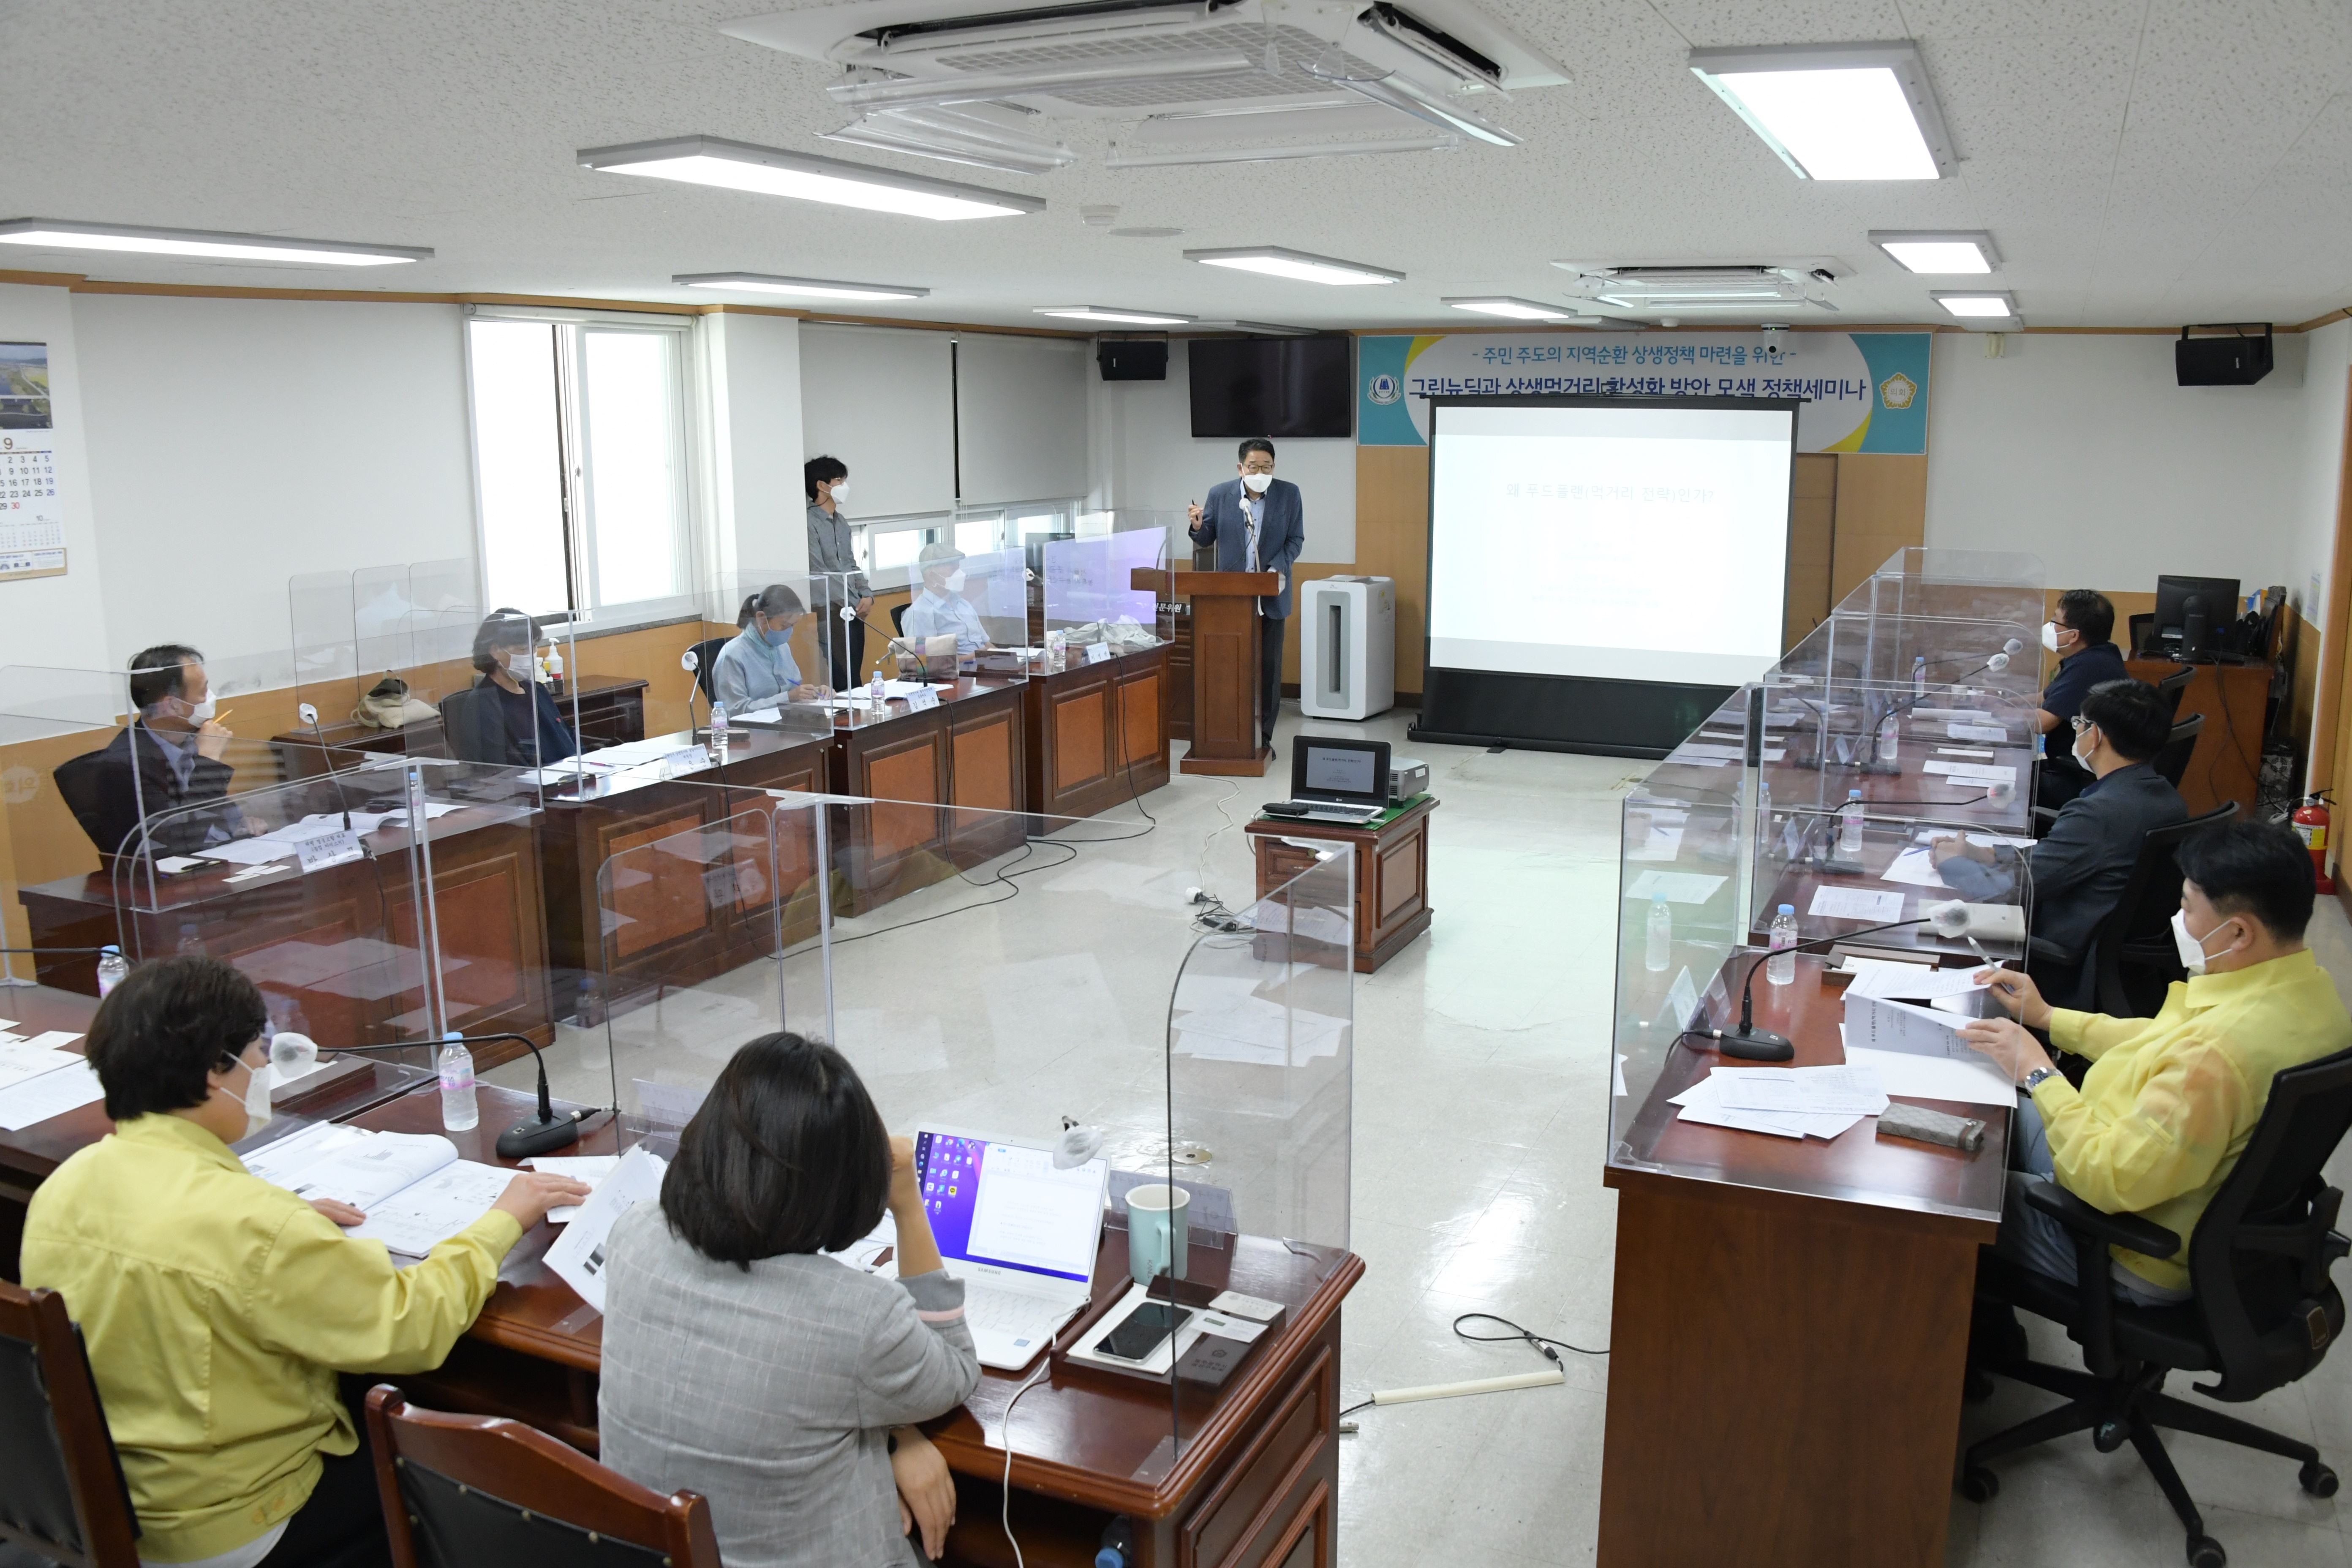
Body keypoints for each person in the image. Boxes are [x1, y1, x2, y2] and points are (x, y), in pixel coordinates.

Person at [18, 956, 589, 1568]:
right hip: (239, 1524)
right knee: (475, 1480)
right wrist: (504, 1219)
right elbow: (410, 1326)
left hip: (113, 1506)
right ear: (215, 1072)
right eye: (252, 1051)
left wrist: (281, 1227)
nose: (263, 1066)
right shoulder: (252, 1224)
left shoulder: (64, 1189)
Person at [599, 1033, 980, 1568]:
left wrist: (898, 1431)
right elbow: (955, 1370)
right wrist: (910, 1204)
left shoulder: (634, 1236)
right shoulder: (858, 1317)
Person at [1960, 820, 2352, 1304]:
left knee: (1954, 1199)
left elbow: (2104, 1177)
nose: (2178, 918)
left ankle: (1973, 1340)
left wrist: (2039, 1072)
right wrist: (2048, 1017)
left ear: (2238, 932)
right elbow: (2162, 1040)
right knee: (1990, 1121)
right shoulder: (2309, 994)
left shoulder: (2215, 1056)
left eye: (2187, 907)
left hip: (2128, 1245)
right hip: (2161, 1178)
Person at [1933, 678, 2187, 1004]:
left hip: (2061, 953)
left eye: (2080, 723)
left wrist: (1951, 864)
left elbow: (2014, 890)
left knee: (1930, 923)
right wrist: (1985, 854)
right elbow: (2059, 859)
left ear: (2094, 735)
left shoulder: (2099, 813)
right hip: (2110, 947)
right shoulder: (2163, 795)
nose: (2077, 730)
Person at [65, 643, 241, 859]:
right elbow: (181, 838)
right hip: (171, 874)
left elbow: (218, 813)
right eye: (203, 692)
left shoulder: (190, 739)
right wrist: (209, 761)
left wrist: (242, 823)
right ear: (173, 706)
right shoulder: (125, 766)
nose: (209, 698)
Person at [1187, 437, 1304, 756]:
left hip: (1271, 596)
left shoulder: (1289, 494)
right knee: (1230, 667)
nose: (1260, 472)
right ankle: (1228, 733)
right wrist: (1197, 526)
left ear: (1274, 468)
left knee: (1269, 670)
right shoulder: (1220, 494)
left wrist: (1275, 569)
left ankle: (1263, 738)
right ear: (1241, 468)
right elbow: (1207, 535)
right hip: (1230, 600)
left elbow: (1295, 540)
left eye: (1267, 467)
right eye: (1253, 466)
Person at [2033, 588, 2131, 810]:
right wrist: (2005, 698)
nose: (2050, 627)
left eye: (2055, 621)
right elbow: (2047, 696)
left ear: (2074, 635)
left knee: (2010, 784)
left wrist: (1996, 715)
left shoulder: (2089, 667)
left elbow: (2042, 723)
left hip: (2076, 779)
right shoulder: (2098, 655)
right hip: (2081, 771)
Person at [448, 609, 578, 768]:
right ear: (495, 651)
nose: (532, 655)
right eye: (523, 649)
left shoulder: (537, 691)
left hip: (567, 777)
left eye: (535, 647)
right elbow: (497, 767)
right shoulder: (484, 702)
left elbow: (568, 738)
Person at [807, 456, 874, 691]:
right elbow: (820, 572)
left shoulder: (841, 522)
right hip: (831, 611)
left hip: (853, 609)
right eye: (839, 480)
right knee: (842, 678)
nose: (844, 486)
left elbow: (850, 564)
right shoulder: (808, 523)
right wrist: (854, 601)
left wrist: (867, 595)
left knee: (855, 676)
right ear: (822, 486)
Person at [713, 583, 827, 710]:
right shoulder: (732, 656)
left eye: (792, 626)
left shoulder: (782, 647)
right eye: (784, 626)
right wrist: (788, 698)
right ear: (762, 618)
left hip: (786, 721)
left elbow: (793, 688)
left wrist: (815, 693)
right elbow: (735, 711)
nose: (788, 631)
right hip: (753, 728)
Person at [901, 542, 989, 655]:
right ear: (932, 576)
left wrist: (1007, 659)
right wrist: (972, 658)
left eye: (959, 568)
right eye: (953, 570)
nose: (961, 574)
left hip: (984, 668)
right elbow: (924, 662)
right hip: (961, 671)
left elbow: (986, 644)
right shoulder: (919, 613)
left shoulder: (963, 605)